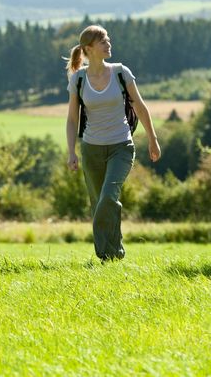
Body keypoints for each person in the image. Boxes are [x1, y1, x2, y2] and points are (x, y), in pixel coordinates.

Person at [65, 24, 161, 261]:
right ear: (89, 48)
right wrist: (71, 152)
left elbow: (139, 105)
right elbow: (72, 118)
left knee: (108, 197)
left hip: (121, 146)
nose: (109, 44)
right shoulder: (78, 79)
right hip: (91, 149)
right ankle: (111, 255)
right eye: (103, 41)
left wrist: (152, 139)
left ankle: (106, 251)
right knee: (100, 202)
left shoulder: (121, 72)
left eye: (108, 40)